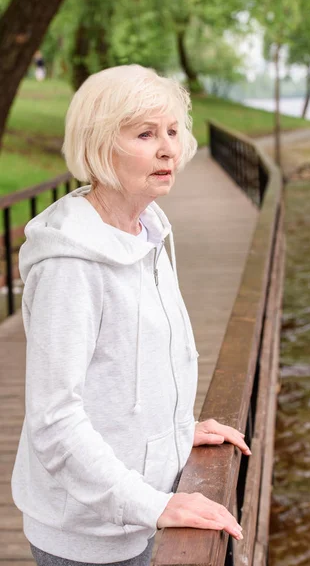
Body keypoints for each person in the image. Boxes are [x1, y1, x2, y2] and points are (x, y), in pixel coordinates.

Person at [11, 65, 251, 566]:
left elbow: (134, 363)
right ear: (100, 146)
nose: (169, 148)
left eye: (171, 131)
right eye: (145, 134)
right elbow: (54, 423)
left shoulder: (149, 229)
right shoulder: (69, 266)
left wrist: (177, 431)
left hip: (136, 503)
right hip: (87, 534)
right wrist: (155, 504)